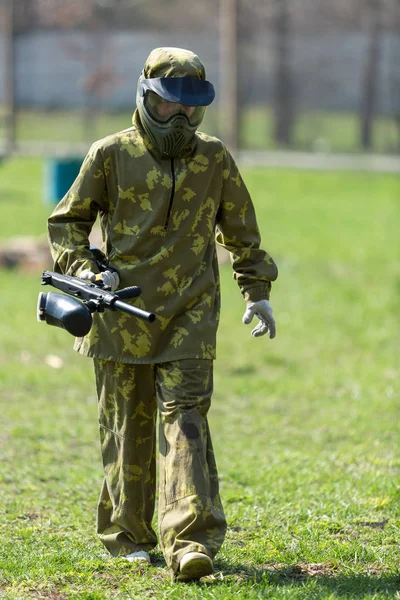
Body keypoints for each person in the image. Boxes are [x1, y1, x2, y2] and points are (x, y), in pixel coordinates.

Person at [47, 47, 278, 581]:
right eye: (172, 105)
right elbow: (67, 224)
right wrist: (84, 271)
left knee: (187, 422)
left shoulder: (214, 158)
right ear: (145, 95)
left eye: (193, 108)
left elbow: (241, 230)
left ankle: (190, 542)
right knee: (127, 428)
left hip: (192, 313)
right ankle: (128, 536)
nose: (183, 118)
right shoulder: (110, 154)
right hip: (119, 312)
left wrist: (256, 289)